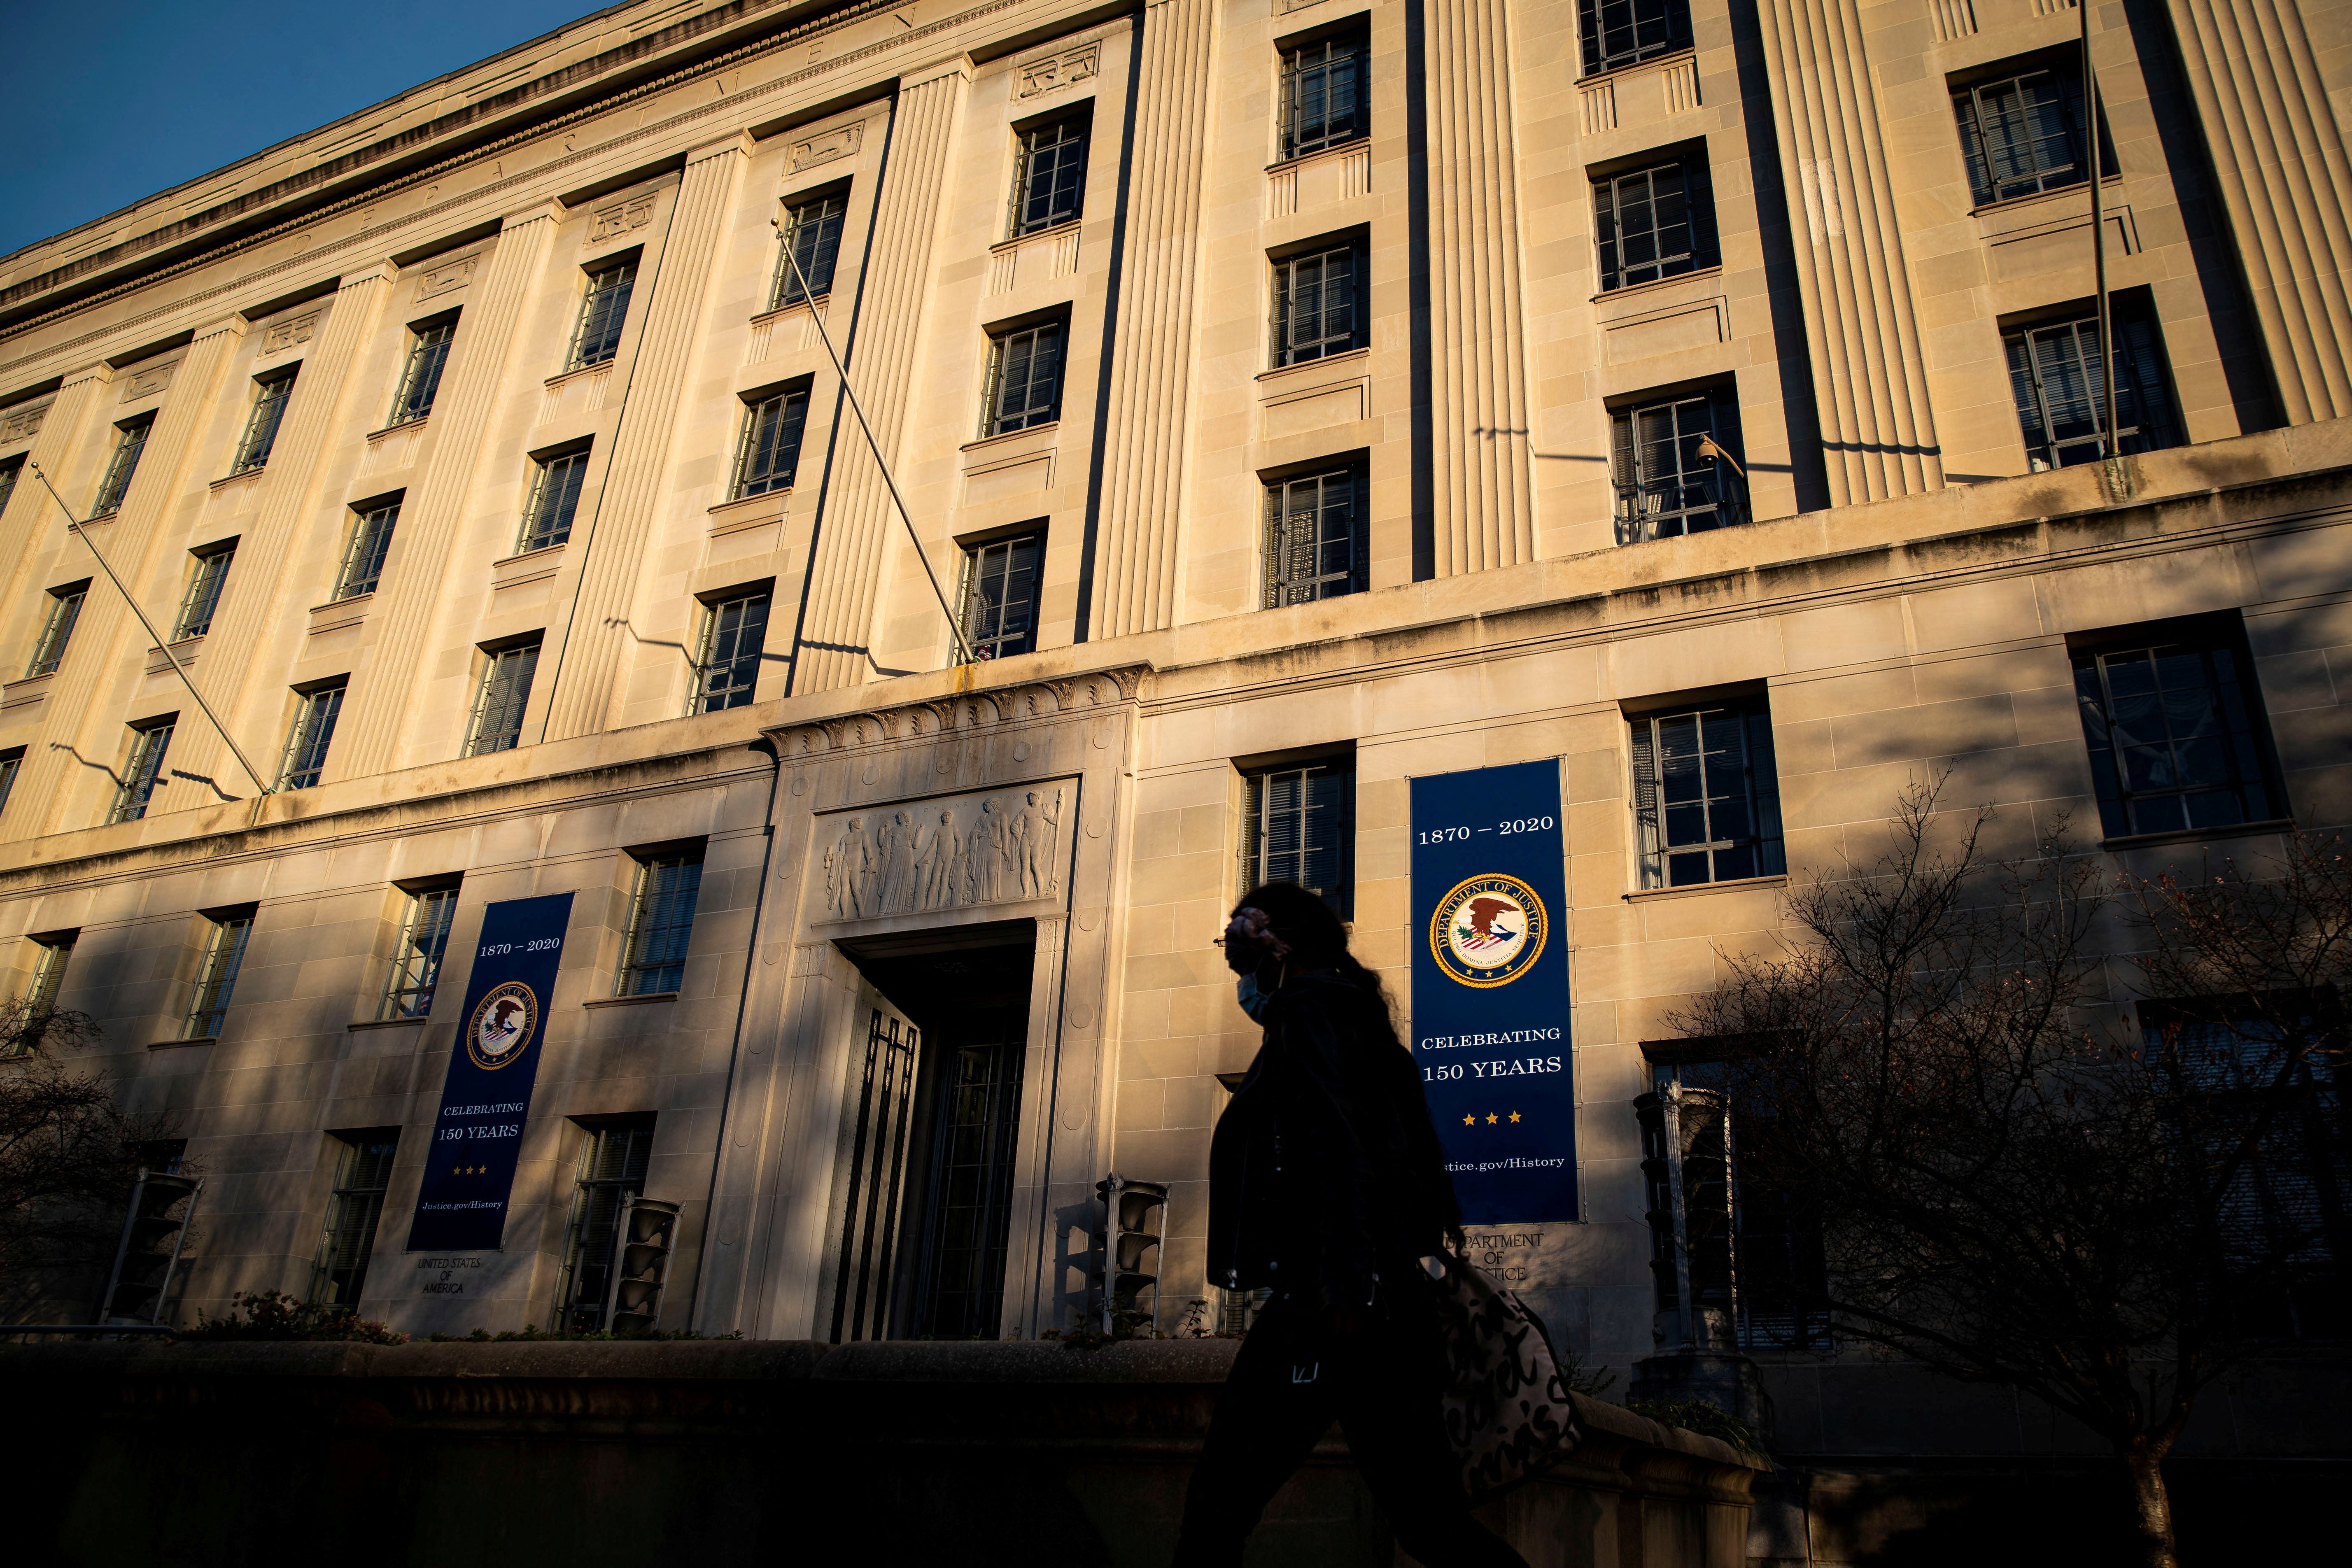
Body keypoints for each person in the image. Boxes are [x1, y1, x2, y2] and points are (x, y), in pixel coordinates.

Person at [1173, 883, 1530, 1568]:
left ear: (1276, 950)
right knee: (1431, 1524)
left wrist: (1343, 1289)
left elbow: (1341, 1152)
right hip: (1379, 1299)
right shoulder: (1354, 1017)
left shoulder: (1308, 1015)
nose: (1241, 978)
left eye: (1244, 958)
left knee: (1216, 1511)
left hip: (1330, 1304)